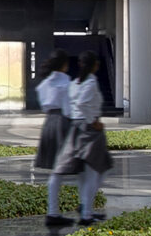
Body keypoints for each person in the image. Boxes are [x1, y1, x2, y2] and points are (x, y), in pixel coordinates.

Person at [48, 51, 113, 225]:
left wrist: (75, 118)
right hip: (89, 130)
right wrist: (93, 121)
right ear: (93, 65)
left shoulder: (75, 83)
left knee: (87, 172)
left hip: (76, 126)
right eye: (96, 63)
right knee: (96, 171)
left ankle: (86, 208)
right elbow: (82, 103)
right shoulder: (90, 82)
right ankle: (86, 213)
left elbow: (69, 106)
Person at [33, 51, 72, 214]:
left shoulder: (45, 83)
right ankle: (82, 208)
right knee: (73, 166)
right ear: (64, 65)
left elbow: (44, 103)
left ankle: (53, 211)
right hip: (63, 122)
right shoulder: (65, 81)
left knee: (57, 170)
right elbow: (69, 107)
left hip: (49, 122)